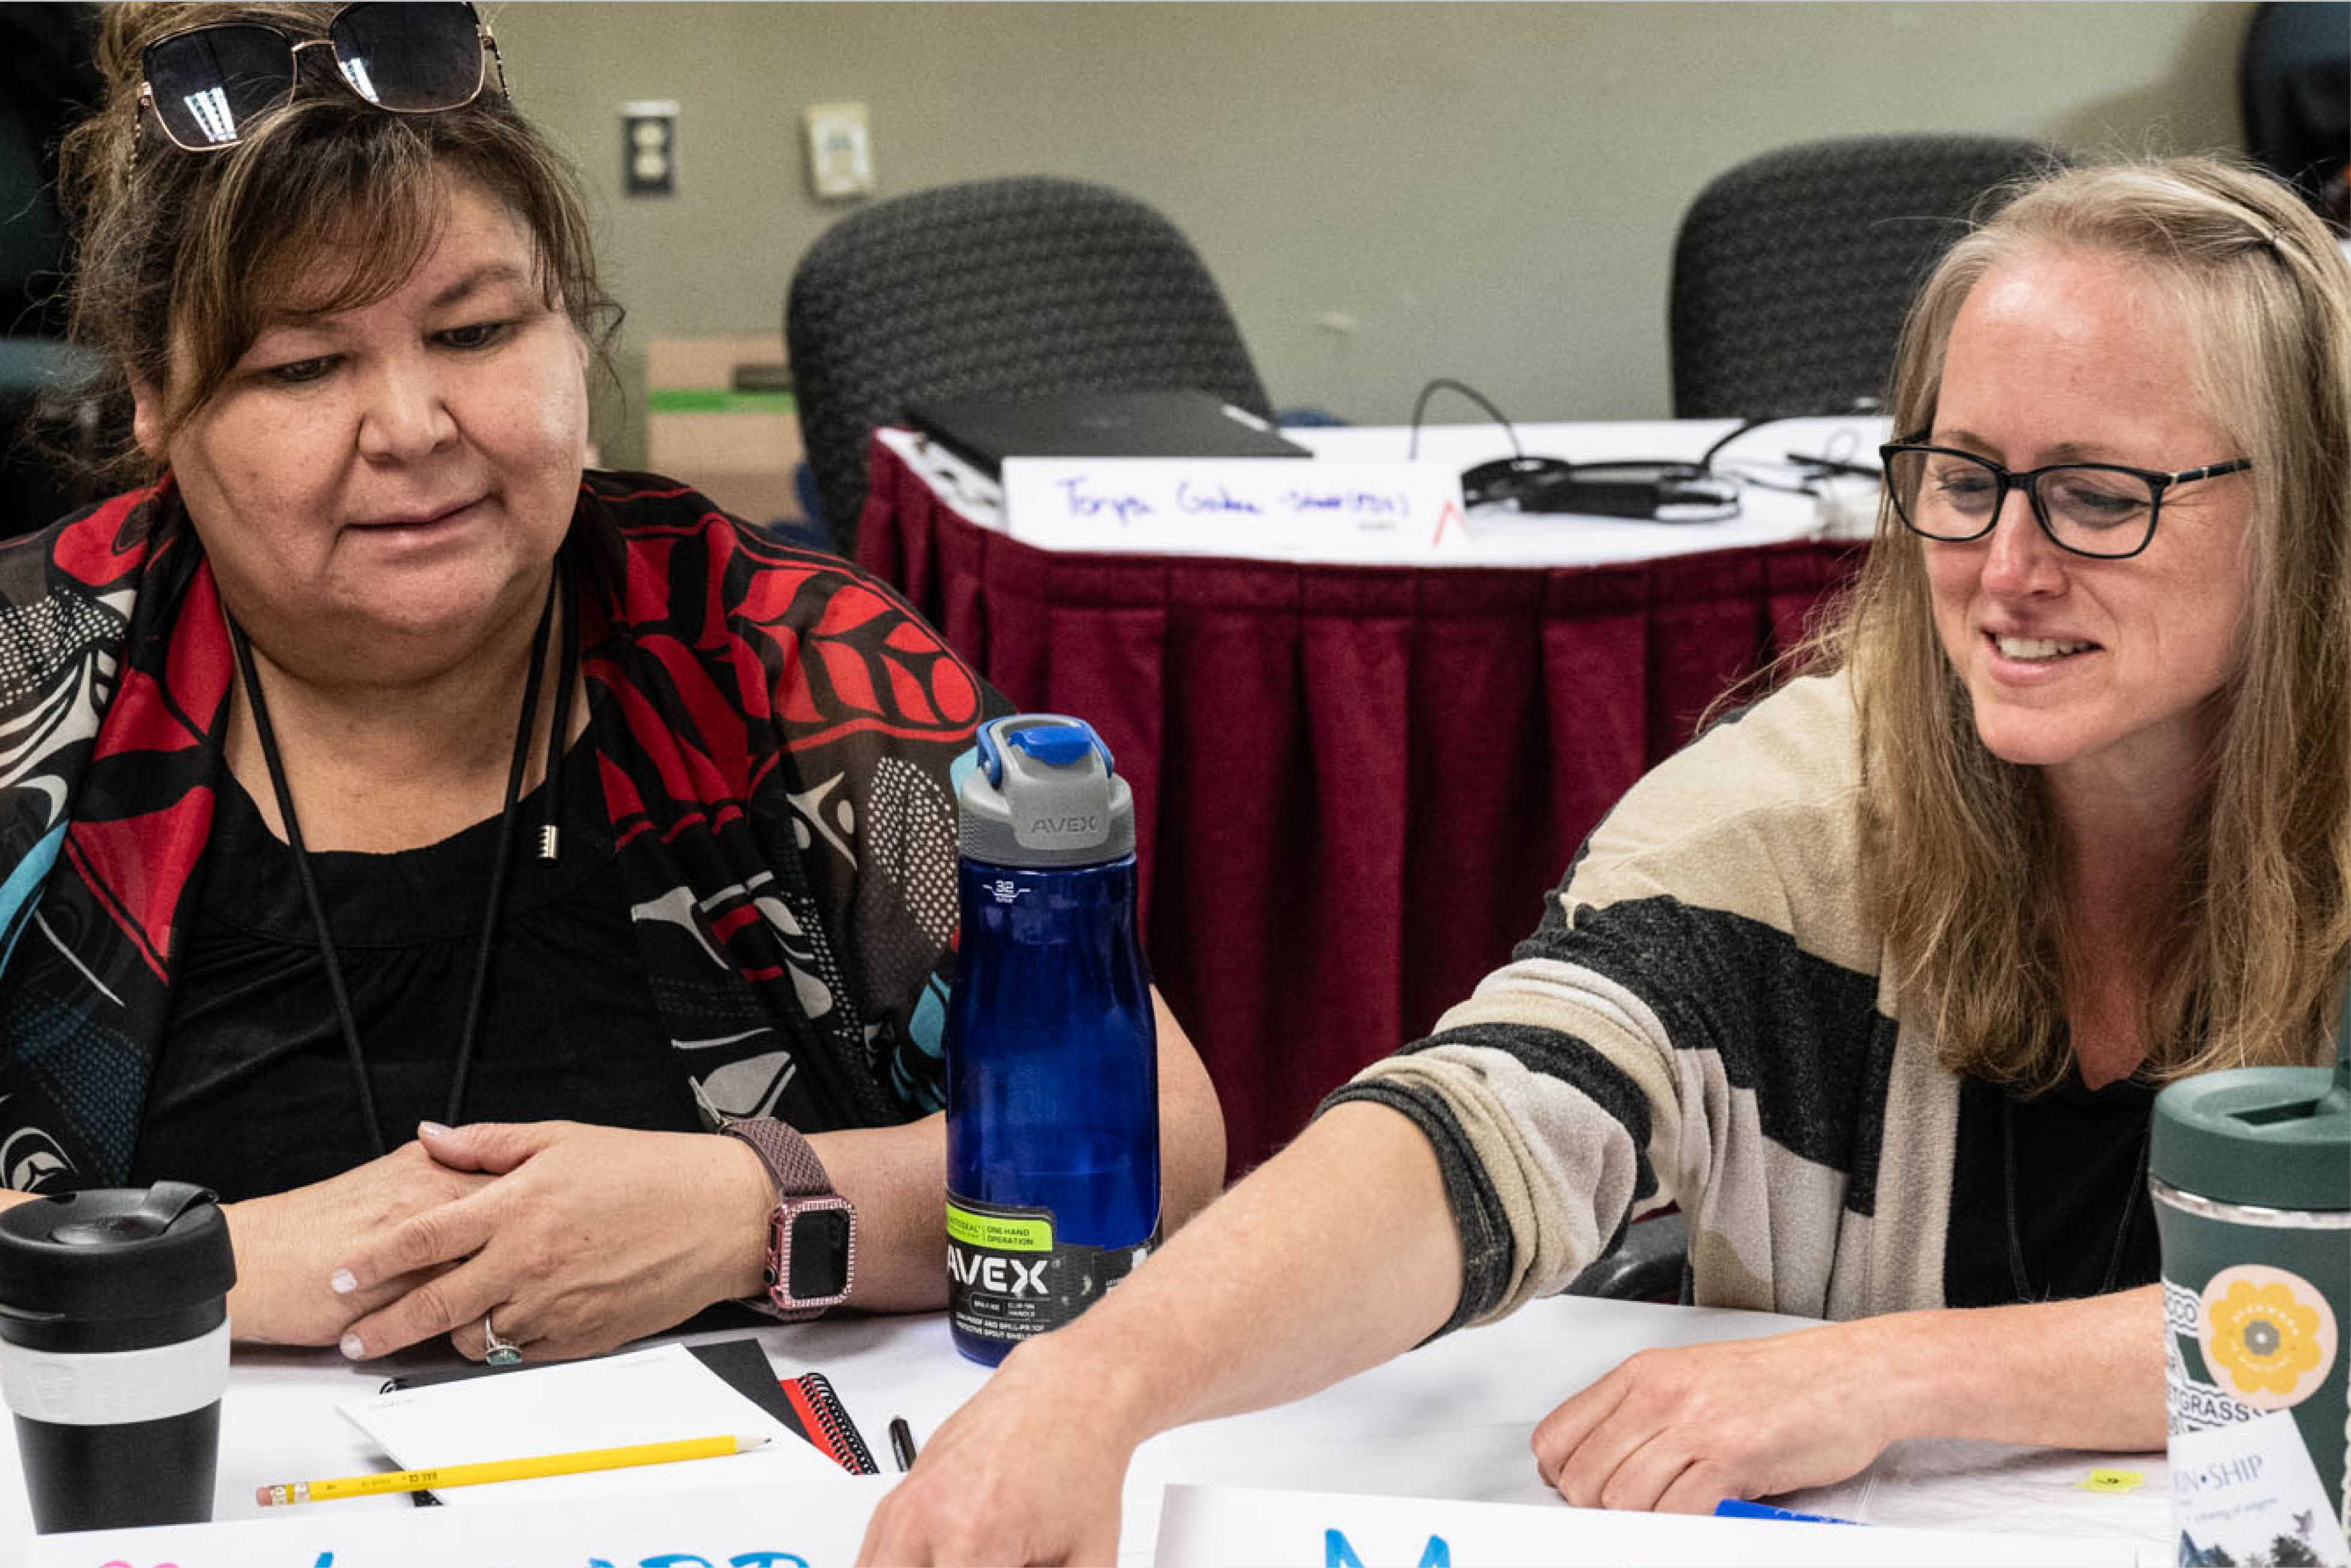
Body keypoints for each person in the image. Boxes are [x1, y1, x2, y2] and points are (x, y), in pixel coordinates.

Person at [859, 154, 2351, 1563]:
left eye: (2101, 497)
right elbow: (1473, 1125)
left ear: (2309, 515)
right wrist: (1092, 1386)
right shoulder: (1794, 810)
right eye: (1962, 479)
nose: (2007, 568)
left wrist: (1895, 1372)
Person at [0, 0, 1224, 1368]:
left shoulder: (788, 662)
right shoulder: (27, 675)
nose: (414, 428)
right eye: (303, 364)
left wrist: (764, 1204)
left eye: (474, 334)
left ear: (573, 334)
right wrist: (226, 1265)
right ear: (155, 403)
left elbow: (1158, 1136)